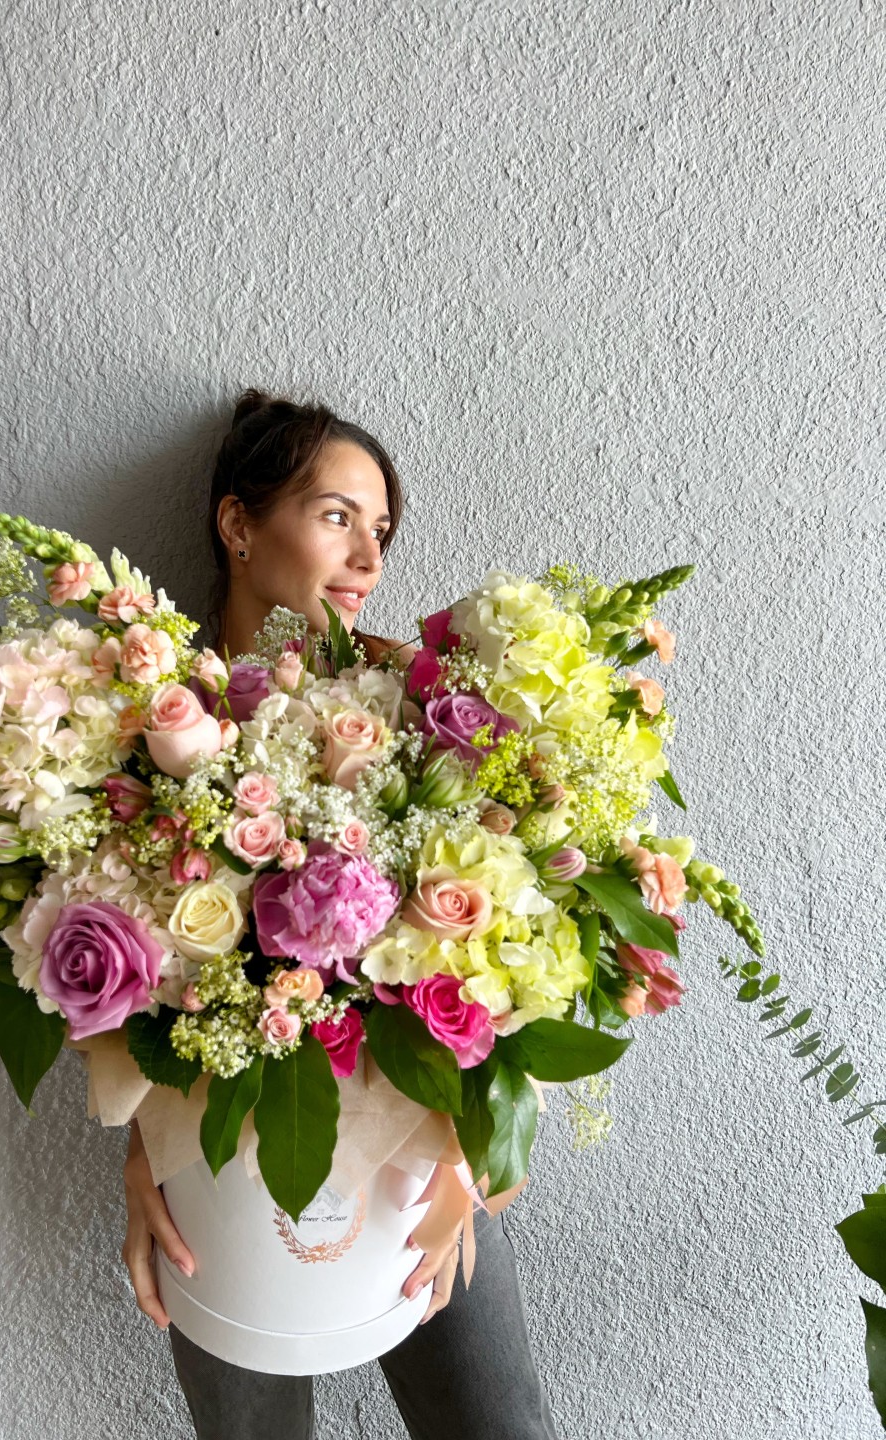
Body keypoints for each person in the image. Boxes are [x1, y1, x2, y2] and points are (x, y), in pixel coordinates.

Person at [121, 388, 561, 1440]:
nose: (367, 556)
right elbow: (119, 976)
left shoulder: (425, 712)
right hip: (218, 1175)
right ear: (238, 525)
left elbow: (511, 941)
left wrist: (470, 1155)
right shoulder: (144, 722)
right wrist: (143, 1155)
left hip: (421, 1172)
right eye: (334, 516)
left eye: (381, 529)